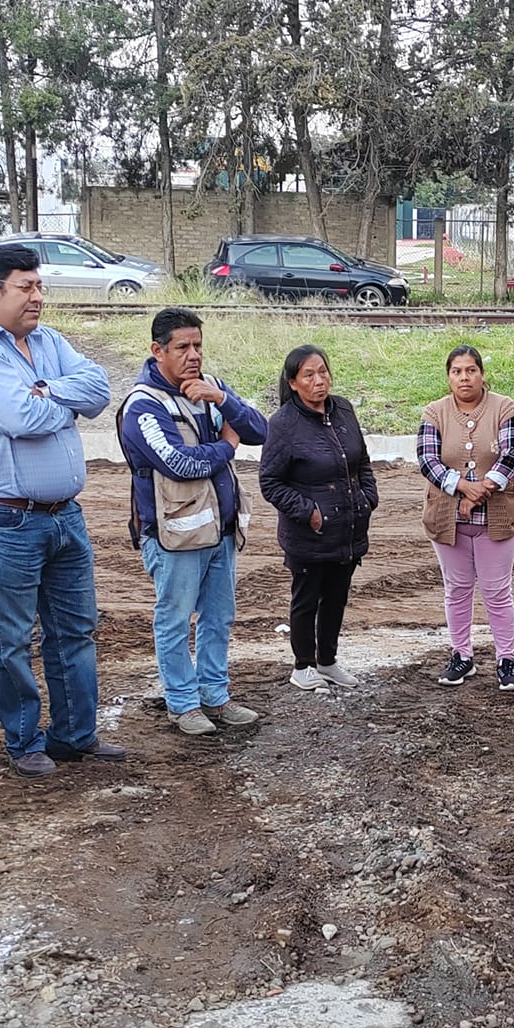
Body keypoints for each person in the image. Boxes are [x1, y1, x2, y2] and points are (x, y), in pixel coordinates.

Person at [0, 242, 122, 777]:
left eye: (39, 285)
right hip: (3, 518)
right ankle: (24, 742)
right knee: (12, 638)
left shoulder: (47, 341)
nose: (38, 296)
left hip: (64, 514)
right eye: (27, 286)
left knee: (75, 629)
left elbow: (98, 390)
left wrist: (46, 390)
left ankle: (74, 736)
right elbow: (23, 418)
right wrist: (51, 403)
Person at [117, 306, 269, 735]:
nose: (193, 355)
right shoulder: (143, 406)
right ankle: (183, 703)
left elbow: (261, 430)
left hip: (219, 530)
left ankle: (215, 697)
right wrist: (227, 445)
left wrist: (223, 401)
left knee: (218, 618)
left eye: (198, 345)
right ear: (157, 350)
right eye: (183, 347)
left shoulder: (212, 389)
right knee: (175, 618)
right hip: (173, 535)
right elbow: (179, 464)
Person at [259, 345, 378, 689]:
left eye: (322, 372)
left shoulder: (343, 409)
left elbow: (362, 462)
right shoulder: (283, 425)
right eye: (308, 375)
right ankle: (302, 666)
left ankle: (327, 662)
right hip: (309, 534)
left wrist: (367, 497)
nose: (318, 381)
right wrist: (309, 511)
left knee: (336, 598)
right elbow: (270, 482)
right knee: (307, 598)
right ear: (293, 383)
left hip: (348, 528)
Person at [417, 344, 514, 690]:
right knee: (458, 590)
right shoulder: (434, 413)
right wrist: (463, 488)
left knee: (497, 591)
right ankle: (461, 656)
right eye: (457, 371)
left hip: (497, 517)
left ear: (482, 374)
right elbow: (427, 461)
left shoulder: (504, 407)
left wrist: (481, 491)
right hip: (447, 518)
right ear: (449, 377)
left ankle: (506, 659)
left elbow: (512, 454)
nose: (465, 377)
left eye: (471, 370)